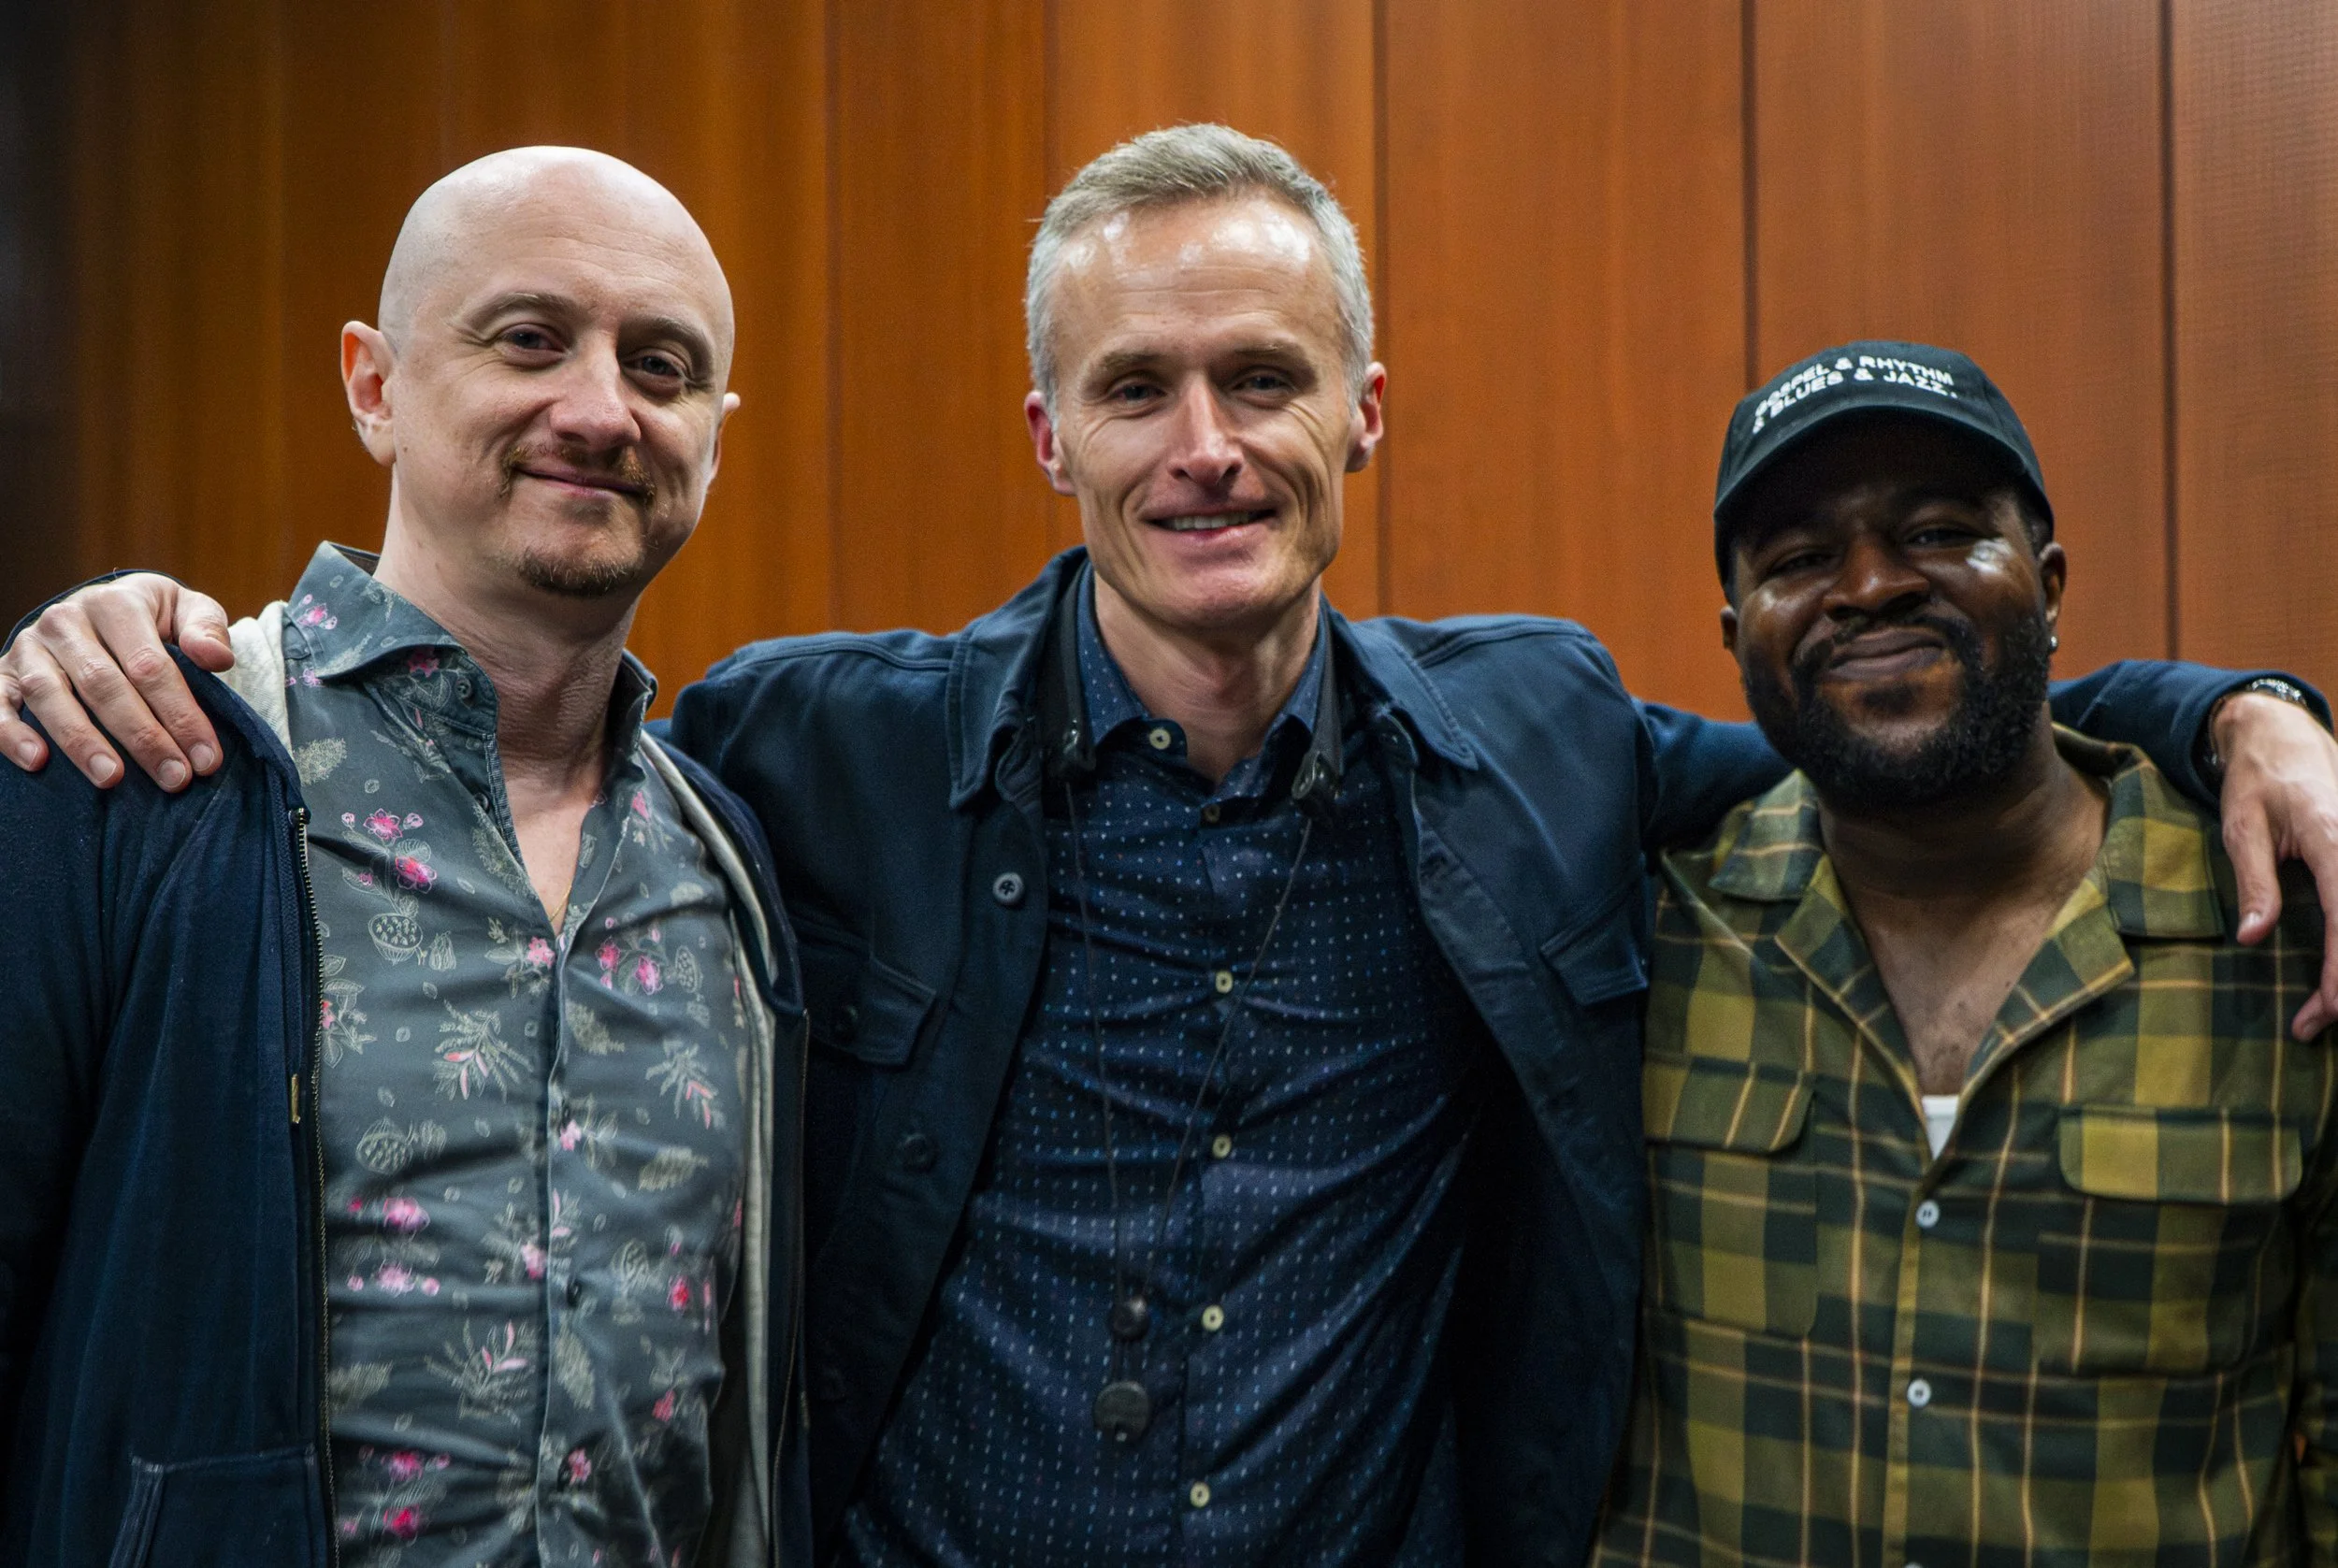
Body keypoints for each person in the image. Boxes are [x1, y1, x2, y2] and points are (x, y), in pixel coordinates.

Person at [10, 130, 2338, 1568]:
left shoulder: (1522, 735)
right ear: (1049, 434)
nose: (1204, 446)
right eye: (1136, 390)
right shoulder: (799, 754)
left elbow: (1876, 725)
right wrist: (145, 625)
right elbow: (446, 688)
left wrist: (2226, 713)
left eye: (1262, 380)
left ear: (1365, 411)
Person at [0, 148, 807, 1567]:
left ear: (716, 440)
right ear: (374, 387)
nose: (602, 409)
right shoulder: (131, 773)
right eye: (530, 341)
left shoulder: (727, 870)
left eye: (663, 366)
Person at [1597, 341, 2338, 1566]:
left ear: (2049, 583)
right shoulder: (1641, 933)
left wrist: (2260, 709)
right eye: (1799, 559)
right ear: (1735, 635)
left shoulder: (2273, 926)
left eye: (1940, 532)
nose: (1873, 584)